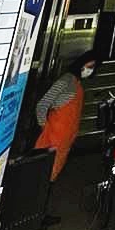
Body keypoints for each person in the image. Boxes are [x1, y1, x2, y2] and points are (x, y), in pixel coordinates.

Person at [35, 50, 98, 180]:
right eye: (89, 66)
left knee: (50, 176)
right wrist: (45, 128)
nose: (90, 70)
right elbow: (42, 105)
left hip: (65, 141)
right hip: (52, 140)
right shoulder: (66, 81)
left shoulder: (77, 85)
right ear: (80, 64)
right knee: (42, 176)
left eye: (92, 67)